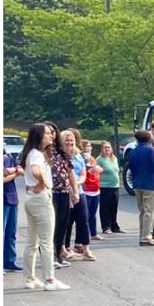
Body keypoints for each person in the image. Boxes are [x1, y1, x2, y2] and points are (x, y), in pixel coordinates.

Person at [19, 123, 68, 291]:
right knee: (46, 241)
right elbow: (34, 171)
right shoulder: (37, 155)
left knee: (32, 242)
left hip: (32, 199)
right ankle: (49, 280)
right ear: (39, 136)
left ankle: (30, 277)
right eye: (47, 133)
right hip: (41, 199)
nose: (51, 135)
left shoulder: (31, 153)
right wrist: (43, 181)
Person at [126, 130, 154, 246]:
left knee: (142, 211)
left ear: (137, 140)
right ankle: (146, 237)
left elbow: (131, 167)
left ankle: (142, 234)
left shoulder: (133, 152)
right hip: (149, 183)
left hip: (137, 183)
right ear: (148, 139)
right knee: (150, 211)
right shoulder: (151, 150)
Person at [49, 123, 78, 269]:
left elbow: (71, 172)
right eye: (49, 133)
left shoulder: (62, 153)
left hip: (64, 192)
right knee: (51, 225)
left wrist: (75, 191)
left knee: (63, 224)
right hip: (51, 193)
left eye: (54, 132)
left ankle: (59, 255)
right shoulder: (45, 152)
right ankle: (51, 256)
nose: (52, 135)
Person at [62, 130, 95, 261]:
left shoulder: (78, 156)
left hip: (79, 191)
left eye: (72, 141)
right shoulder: (60, 156)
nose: (70, 143)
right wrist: (71, 185)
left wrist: (77, 183)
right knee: (66, 222)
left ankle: (86, 249)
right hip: (65, 191)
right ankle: (64, 248)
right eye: (67, 140)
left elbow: (83, 174)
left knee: (83, 219)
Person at [3, 145, 24, 272]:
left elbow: (21, 169)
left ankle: (10, 260)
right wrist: (15, 172)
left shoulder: (9, 157)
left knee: (11, 232)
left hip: (12, 198)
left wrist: (11, 171)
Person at [96, 142, 123, 234]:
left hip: (115, 186)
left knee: (114, 207)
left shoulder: (114, 158)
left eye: (108, 147)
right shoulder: (99, 160)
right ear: (102, 149)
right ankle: (106, 226)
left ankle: (114, 226)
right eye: (105, 147)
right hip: (104, 187)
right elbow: (96, 173)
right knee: (105, 208)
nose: (107, 149)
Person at [83, 145, 102, 241]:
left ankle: (93, 233)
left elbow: (97, 172)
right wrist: (90, 171)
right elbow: (82, 174)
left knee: (93, 213)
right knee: (85, 214)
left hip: (95, 190)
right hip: (87, 191)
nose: (90, 147)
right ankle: (85, 234)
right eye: (87, 146)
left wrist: (98, 171)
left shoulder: (93, 159)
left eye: (90, 146)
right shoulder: (83, 158)